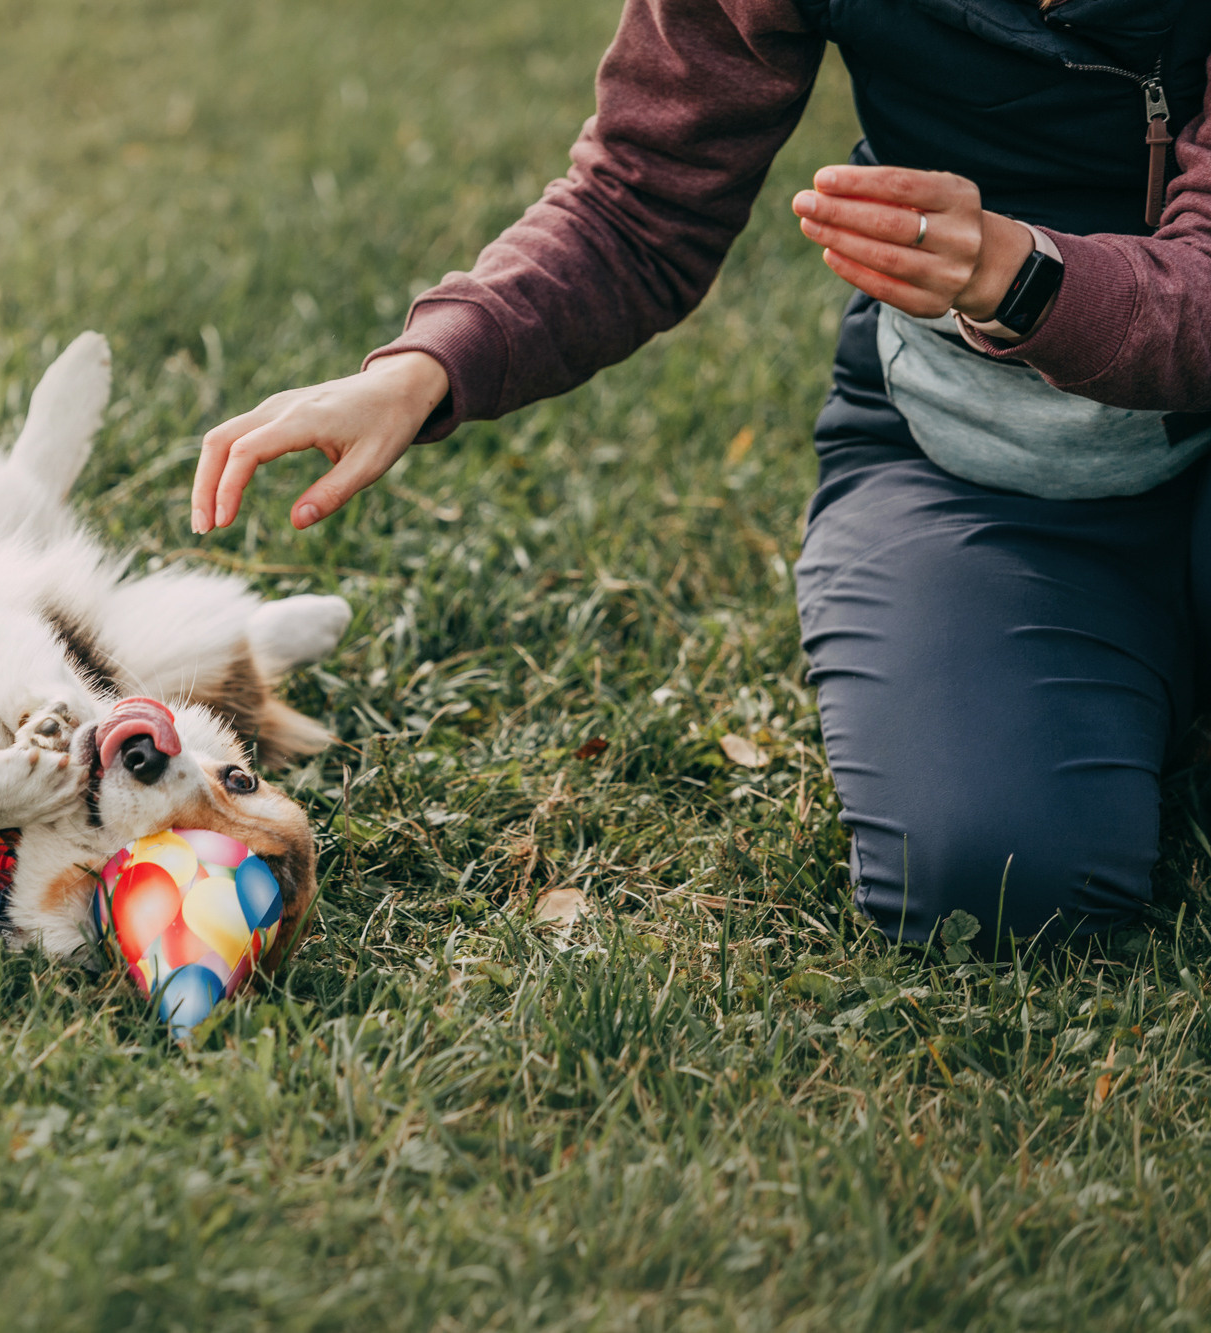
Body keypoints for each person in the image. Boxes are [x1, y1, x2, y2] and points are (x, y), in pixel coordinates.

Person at [191, 0, 1211, 944]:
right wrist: (423, 368)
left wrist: (1017, 275)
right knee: (993, 879)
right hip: (958, 455)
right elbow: (636, 203)